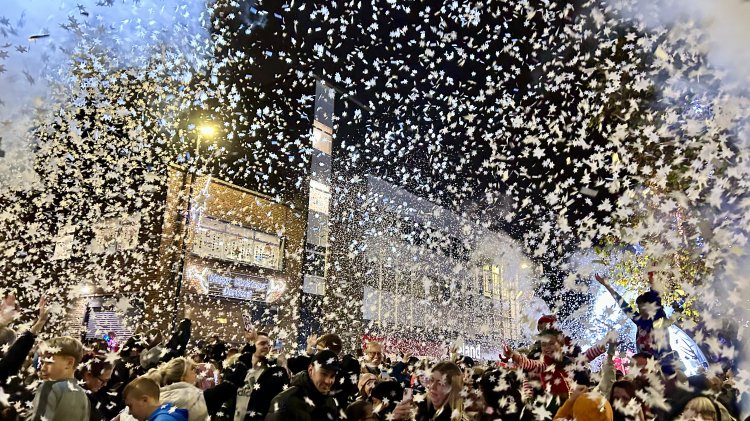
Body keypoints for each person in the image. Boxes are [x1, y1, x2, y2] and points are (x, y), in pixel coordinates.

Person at [264, 350, 341, 421]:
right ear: (310, 370)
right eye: (324, 374)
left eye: (332, 376)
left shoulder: (330, 403)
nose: (328, 381)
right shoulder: (285, 401)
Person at [28, 336, 90, 421]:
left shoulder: (49, 387)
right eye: (42, 362)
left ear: (69, 363)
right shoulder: (83, 396)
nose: (43, 368)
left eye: (49, 362)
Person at [391, 361, 468, 421]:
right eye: (431, 380)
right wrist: (395, 418)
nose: (432, 387)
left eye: (440, 383)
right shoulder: (418, 409)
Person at [123, 377, 188, 421]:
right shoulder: (168, 412)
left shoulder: (162, 419)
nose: (129, 412)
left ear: (144, 400)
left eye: (130, 406)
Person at [77, 352, 114, 421]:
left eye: (107, 381)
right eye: (102, 381)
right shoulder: (76, 397)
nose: (105, 384)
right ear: (88, 375)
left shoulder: (99, 394)